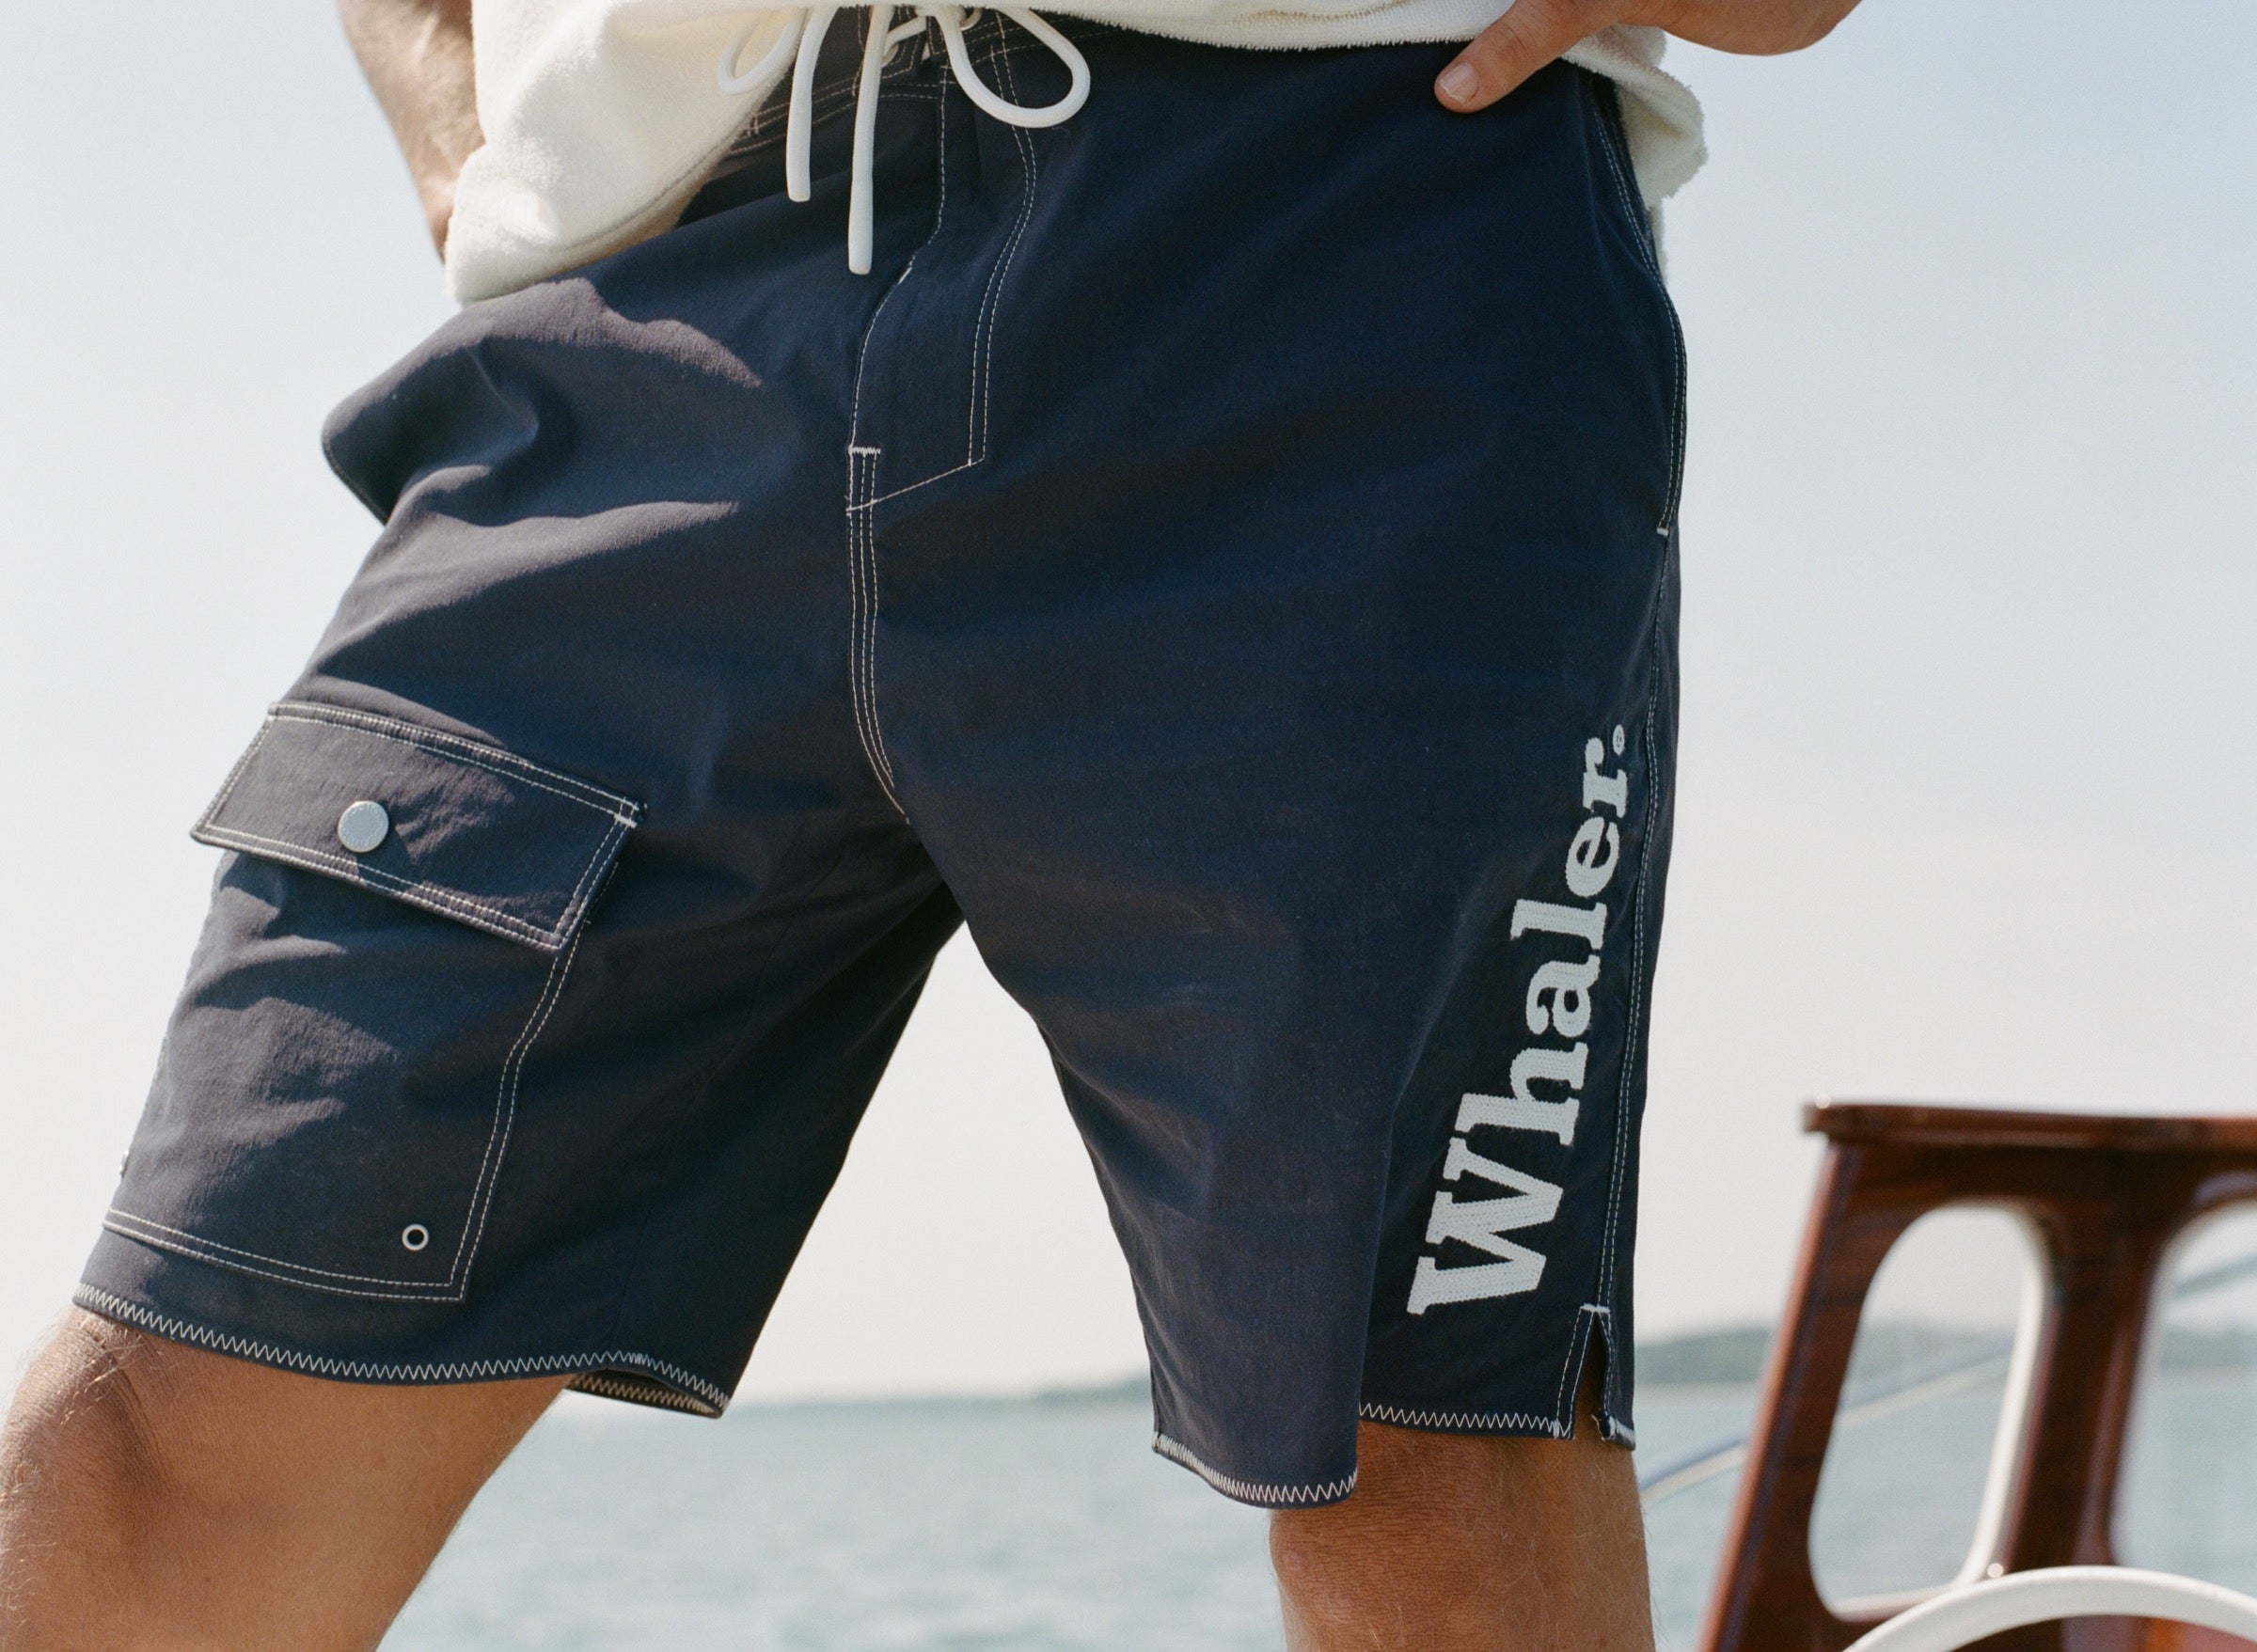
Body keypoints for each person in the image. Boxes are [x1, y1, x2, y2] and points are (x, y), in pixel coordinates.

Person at [0, 0, 1856, 1644]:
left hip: (1339, 249)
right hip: (654, 312)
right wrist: (462, 138)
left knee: (1431, 1473)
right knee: (178, 1412)